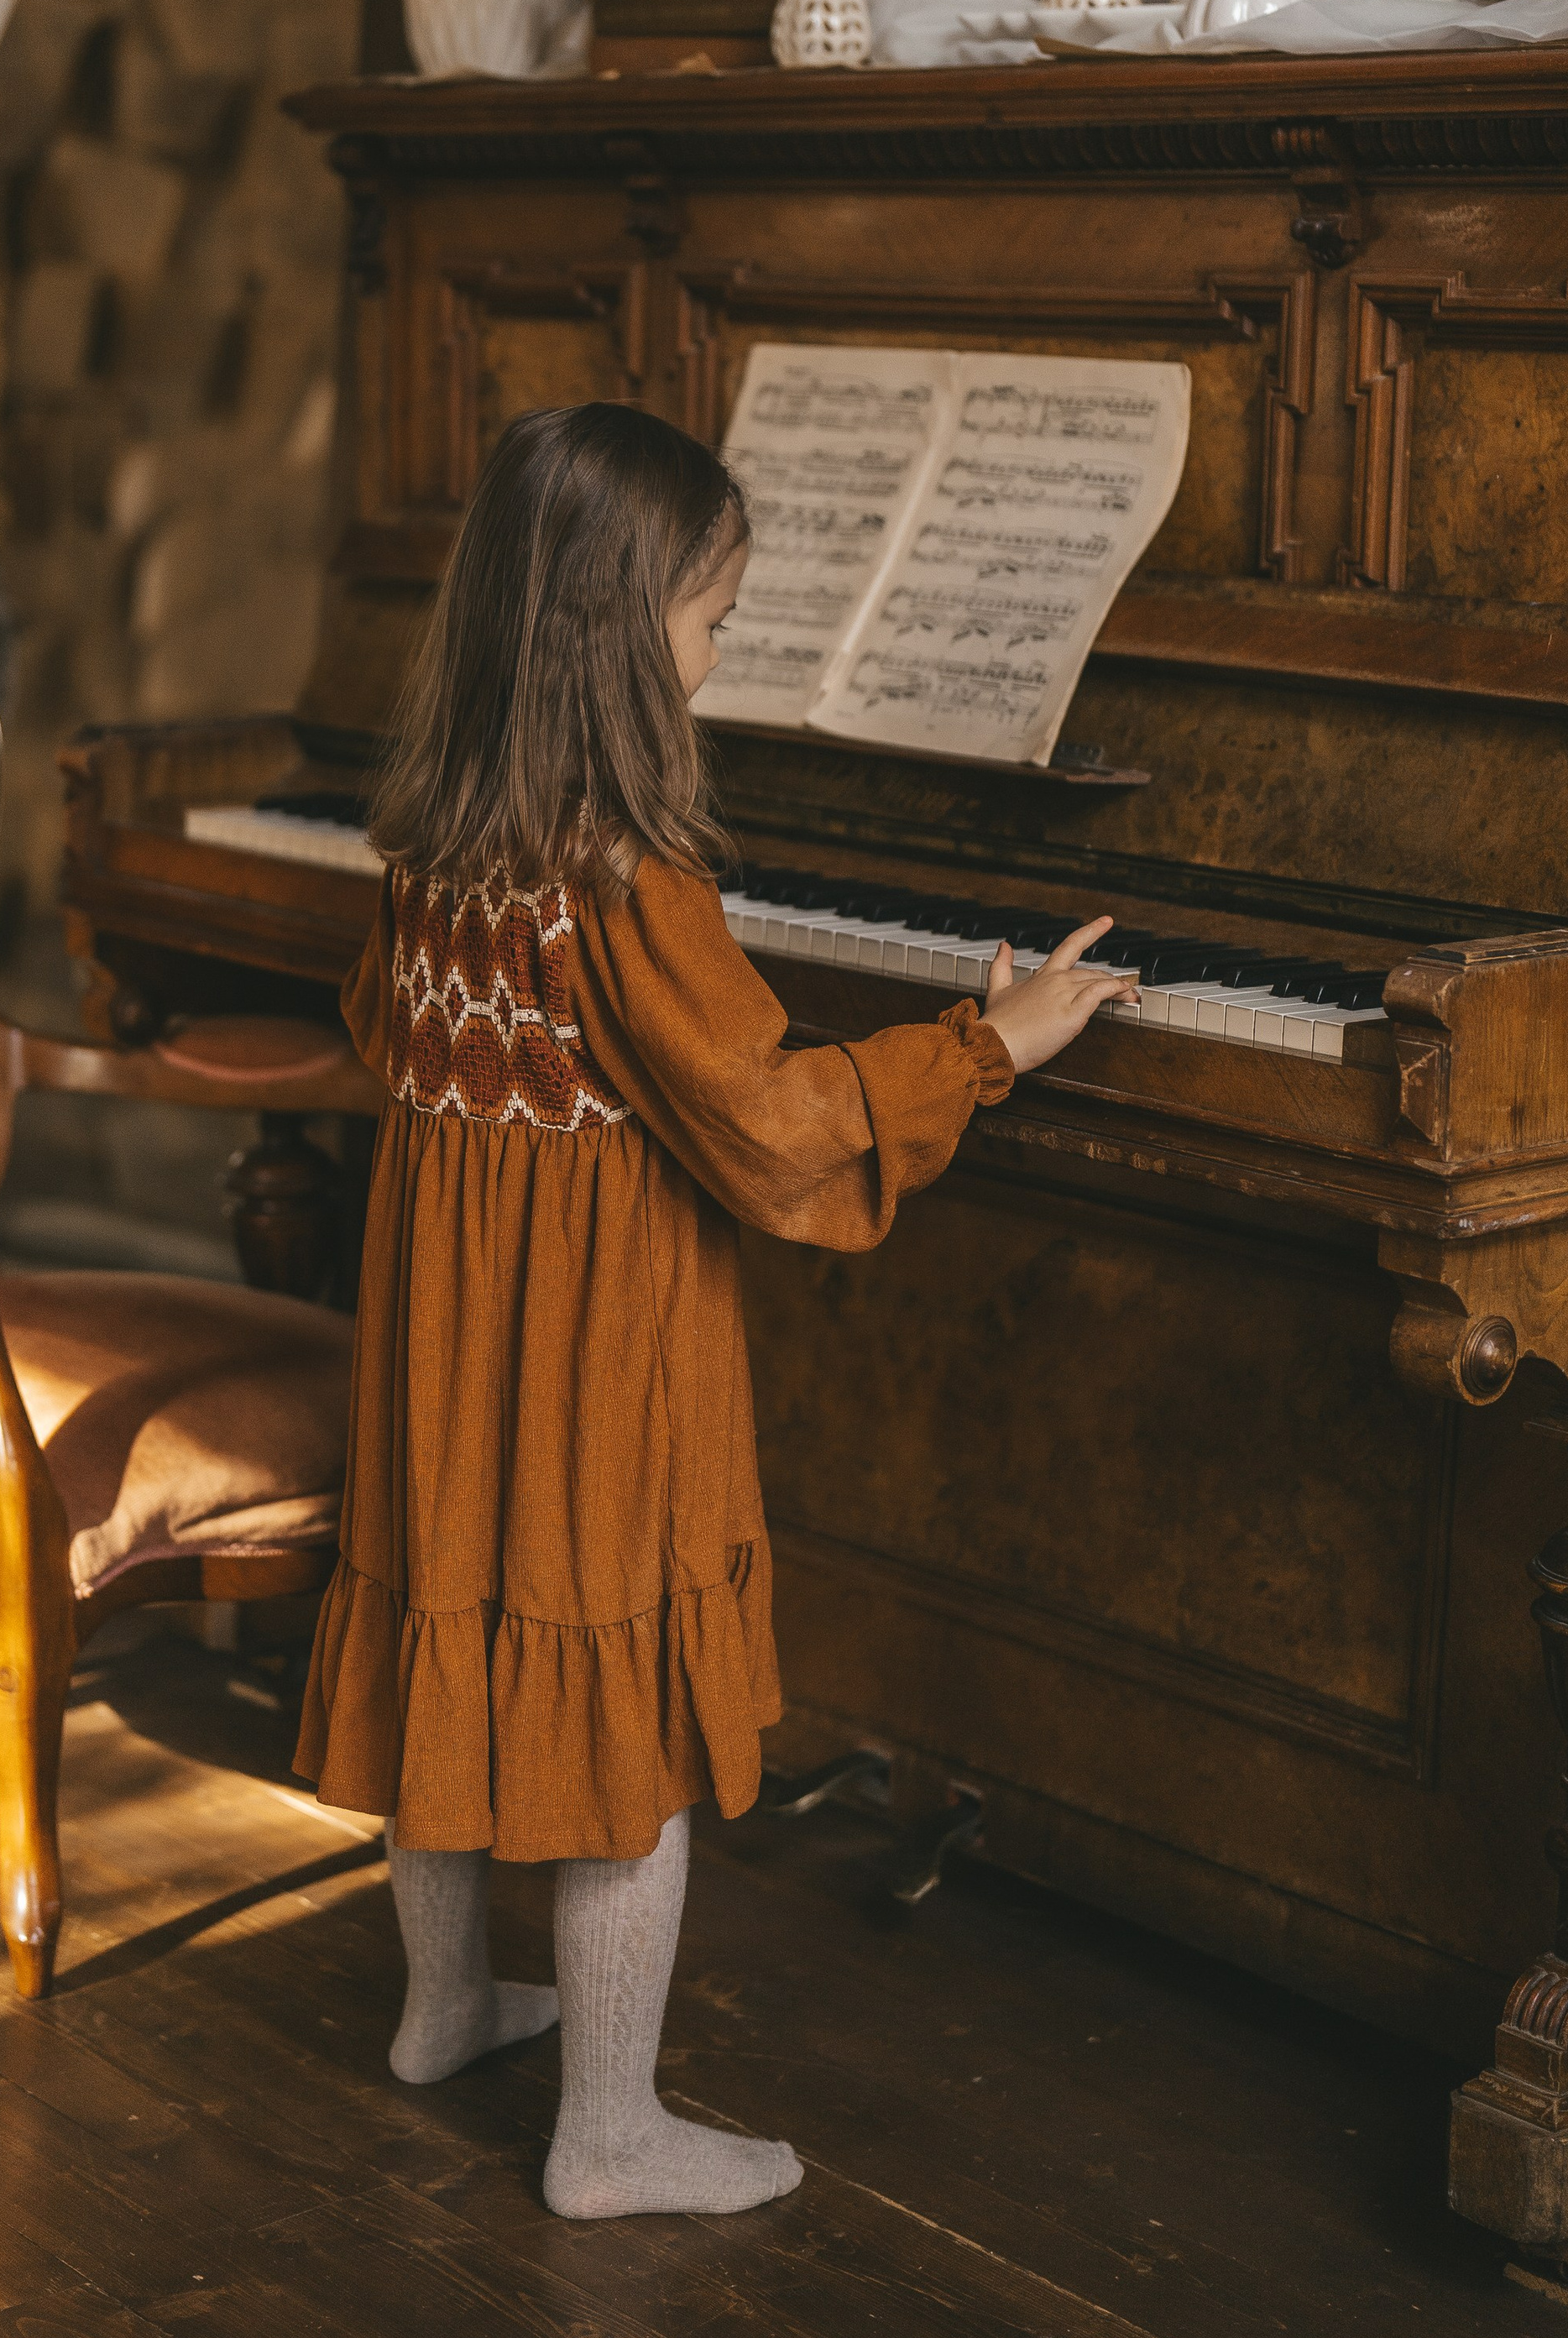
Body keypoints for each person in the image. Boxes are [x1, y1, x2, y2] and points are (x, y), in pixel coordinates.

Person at [293, 402, 1133, 2220]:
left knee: (449, 1643)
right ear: (614, 631)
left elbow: (386, 1032)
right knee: (622, 1736)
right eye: (708, 619)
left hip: (449, 1349)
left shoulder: (435, 837)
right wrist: (986, 1045)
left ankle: (444, 2006)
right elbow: (764, 1119)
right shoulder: (628, 878)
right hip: (597, 1356)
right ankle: (606, 2135)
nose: (719, 649)